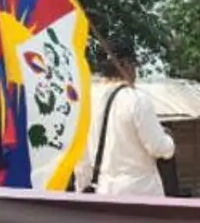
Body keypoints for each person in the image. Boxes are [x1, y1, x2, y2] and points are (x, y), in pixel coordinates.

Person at [73, 44, 176, 196]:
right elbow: (158, 148)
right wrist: (169, 141)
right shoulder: (137, 100)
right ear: (126, 65)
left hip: (103, 192)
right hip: (140, 194)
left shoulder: (87, 102)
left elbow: (82, 158)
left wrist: (82, 188)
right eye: (134, 66)